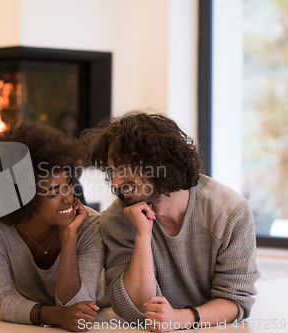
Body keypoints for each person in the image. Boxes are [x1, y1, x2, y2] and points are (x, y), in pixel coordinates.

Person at [82, 111, 260, 332]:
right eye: (112, 171)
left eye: (124, 169)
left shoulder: (229, 211)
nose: (116, 182)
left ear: (160, 164)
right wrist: (143, 236)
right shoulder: (117, 220)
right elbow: (136, 308)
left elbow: (236, 301)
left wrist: (181, 318)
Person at [0, 121, 109, 332]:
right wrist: (55, 315)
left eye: (68, 184)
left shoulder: (90, 225)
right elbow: (1, 300)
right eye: (54, 193)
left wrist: (69, 235)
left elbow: (77, 310)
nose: (68, 198)